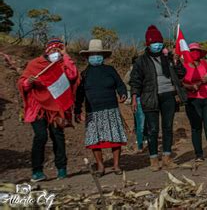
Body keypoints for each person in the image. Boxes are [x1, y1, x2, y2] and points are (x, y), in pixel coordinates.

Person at [17, 38, 79, 182]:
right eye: (53, 50)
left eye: (58, 50)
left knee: (57, 135)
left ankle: (62, 169)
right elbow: (22, 82)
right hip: (38, 107)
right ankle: (37, 171)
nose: (55, 52)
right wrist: (28, 82)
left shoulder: (61, 64)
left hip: (56, 108)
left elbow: (73, 75)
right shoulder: (34, 64)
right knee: (40, 136)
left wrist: (66, 55)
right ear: (47, 50)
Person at [129, 25, 187, 171]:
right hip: (150, 97)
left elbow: (181, 74)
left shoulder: (168, 58)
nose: (158, 45)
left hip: (168, 96)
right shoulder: (141, 61)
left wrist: (176, 61)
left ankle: (167, 158)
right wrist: (134, 97)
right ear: (148, 44)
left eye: (160, 42)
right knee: (153, 129)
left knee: (167, 127)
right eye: (154, 43)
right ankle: (154, 159)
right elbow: (135, 80)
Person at [74, 39, 128, 176]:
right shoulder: (84, 74)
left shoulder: (110, 70)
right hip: (93, 112)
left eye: (98, 54)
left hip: (111, 109)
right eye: (93, 54)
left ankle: (116, 166)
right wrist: (77, 110)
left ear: (103, 57)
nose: (96, 57)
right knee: (95, 141)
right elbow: (79, 95)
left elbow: (120, 84)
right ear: (87, 57)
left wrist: (123, 93)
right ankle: (100, 166)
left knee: (115, 139)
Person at [182, 42, 207, 161]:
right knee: (196, 128)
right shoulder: (184, 66)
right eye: (192, 51)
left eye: (197, 51)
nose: (195, 53)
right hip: (193, 101)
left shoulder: (205, 64)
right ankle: (198, 154)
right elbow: (179, 83)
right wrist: (190, 87)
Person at [124, 56, 147, 152]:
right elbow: (127, 83)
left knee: (140, 121)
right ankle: (140, 142)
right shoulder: (132, 72)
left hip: (140, 97)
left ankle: (142, 140)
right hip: (136, 98)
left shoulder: (142, 70)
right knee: (140, 122)